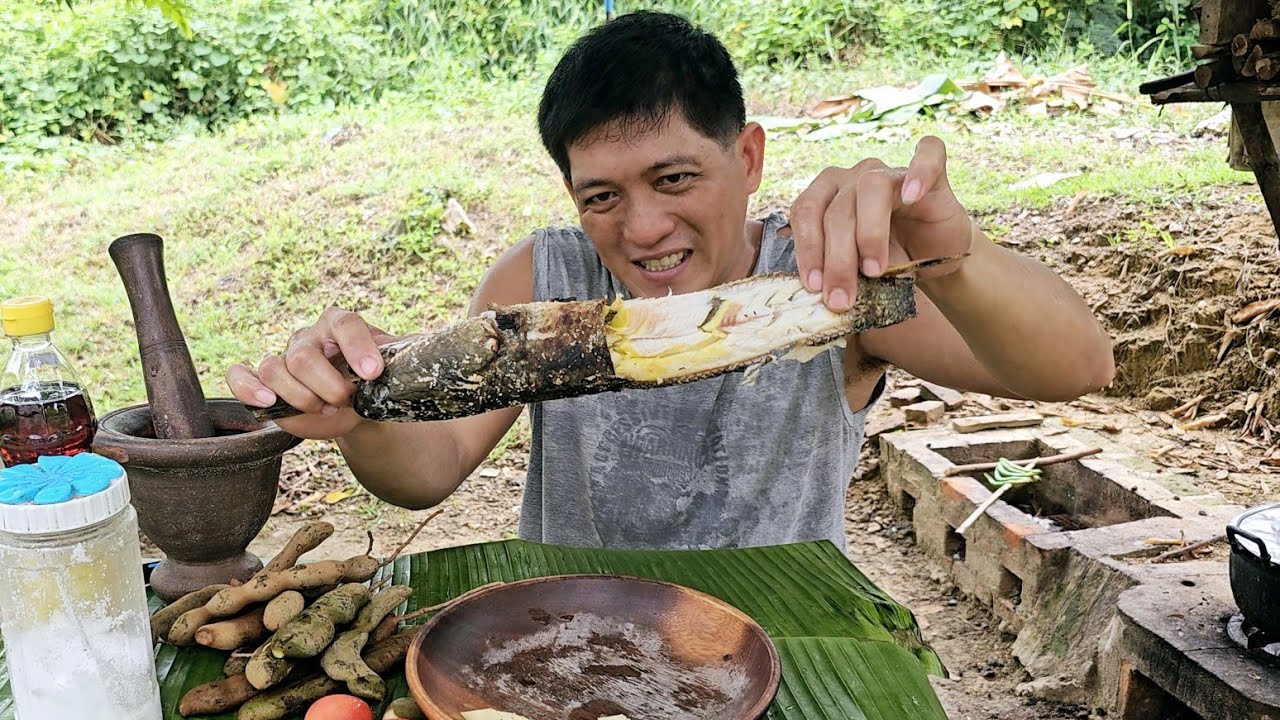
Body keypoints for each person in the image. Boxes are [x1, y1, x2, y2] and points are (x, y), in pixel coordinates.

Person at [225, 10, 1114, 552]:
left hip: (776, 635)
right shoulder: (544, 275)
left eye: (676, 179)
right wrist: (363, 416)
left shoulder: (828, 287)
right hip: (571, 629)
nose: (642, 229)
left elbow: (1075, 367)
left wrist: (953, 257)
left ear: (749, 156)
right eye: (602, 195)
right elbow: (432, 470)